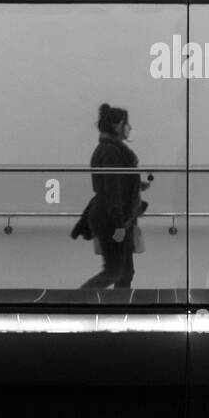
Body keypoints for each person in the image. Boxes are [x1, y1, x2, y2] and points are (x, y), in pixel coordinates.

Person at [80, 104, 146, 290]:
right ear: (117, 125)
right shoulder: (111, 152)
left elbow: (114, 183)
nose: (129, 128)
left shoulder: (111, 150)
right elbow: (111, 190)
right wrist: (118, 225)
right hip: (111, 219)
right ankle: (76, 301)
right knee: (115, 270)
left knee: (124, 271)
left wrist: (136, 185)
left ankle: (120, 310)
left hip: (115, 217)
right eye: (127, 123)